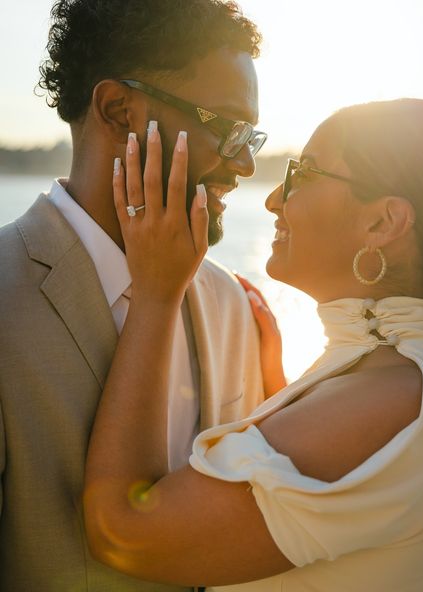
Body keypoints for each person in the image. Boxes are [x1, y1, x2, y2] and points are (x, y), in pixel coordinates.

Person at [83, 98, 423, 592]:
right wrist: (278, 392)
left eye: (303, 174)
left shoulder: (392, 401)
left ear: (382, 223)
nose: (273, 200)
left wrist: (156, 296)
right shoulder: (414, 368)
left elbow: (121, 532)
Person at [0, 1, 275, 590]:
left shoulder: (231, 304)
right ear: (120, 111)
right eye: (226, 127)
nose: (247, 163)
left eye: (250, 135)